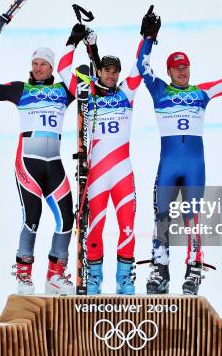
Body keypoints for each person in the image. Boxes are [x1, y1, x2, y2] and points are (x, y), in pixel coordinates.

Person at [136, 8, 222, 295]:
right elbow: (142, 66)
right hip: (169, 165)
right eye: (176, 68)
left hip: (194, 166)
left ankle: (193, 271)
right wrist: (148, 37)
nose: (182, 71)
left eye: (185, 67)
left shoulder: (201, 93)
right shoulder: (159, 90)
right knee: (161, 216)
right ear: (170, 71)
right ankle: (160, 271)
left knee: (193, 218)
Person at [0, 42, 75, 295]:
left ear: (52, 67)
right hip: (28, 162)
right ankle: (23, 273)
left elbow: (82, 85)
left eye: (43, 64)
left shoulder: (65, 91)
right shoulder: (21, 89)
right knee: (32, 218)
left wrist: (76, 43)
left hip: (54, 163)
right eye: (35, 64)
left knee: (66, 219)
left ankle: (55, 275)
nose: (38, 68)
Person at [57, 22, 143, 294]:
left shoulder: (126, 93)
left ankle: (124, 280)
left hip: (122, 172)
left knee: (127, 226)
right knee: (95, 228)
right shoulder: (87, 93)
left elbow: (140, 65)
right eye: (107, 70)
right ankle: (94, 278)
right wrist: (72, 42)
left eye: (115, 71)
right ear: (100, 71)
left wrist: (147, 37)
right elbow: (62, 70)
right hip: (96, 174)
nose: (112, 74)